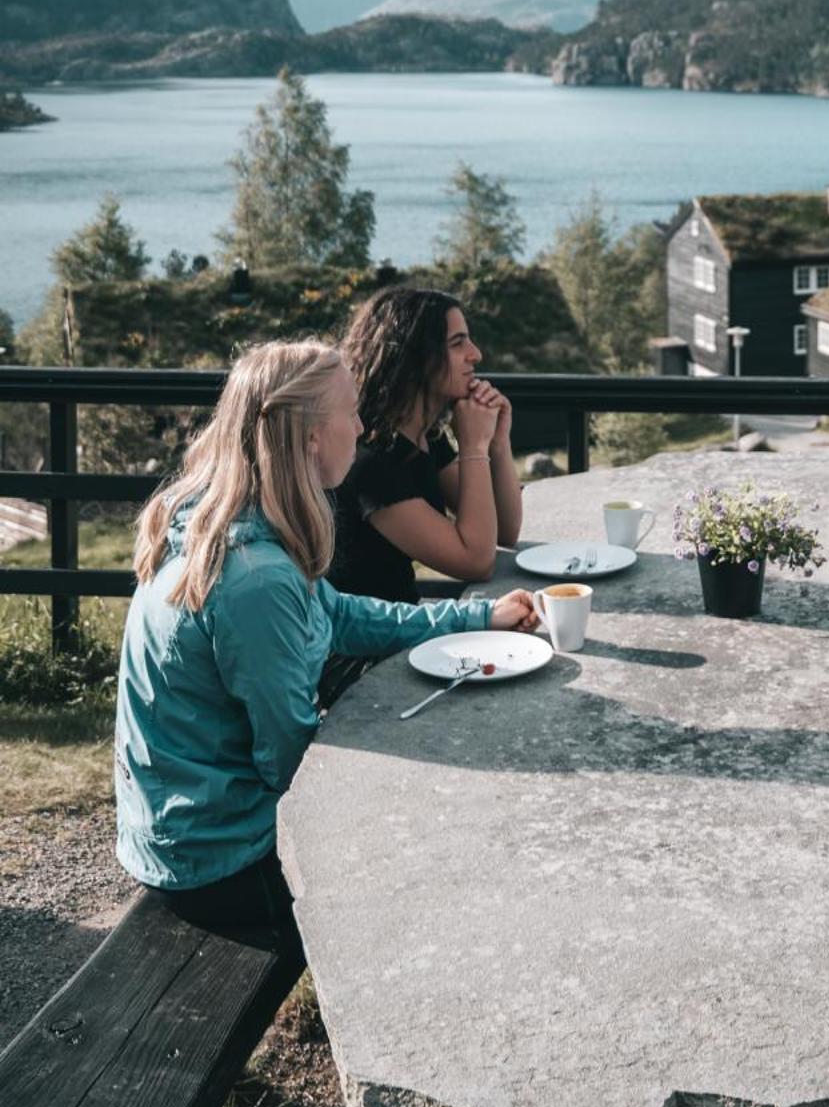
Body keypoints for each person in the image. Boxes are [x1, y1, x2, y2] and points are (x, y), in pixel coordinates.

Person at [115, 340, 539, 960]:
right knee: (438, 880)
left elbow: (337, 615)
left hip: (183, 828)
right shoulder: (254, 580)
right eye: (350, 412)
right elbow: (286, 758)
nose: (362, 426)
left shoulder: (236, 520)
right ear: (312, 437)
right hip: (218, 858)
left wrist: (476, 617)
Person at [332, 286, 524, 605]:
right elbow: (476, 562)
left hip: (403, 625)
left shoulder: (424, 436)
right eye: (457, 343)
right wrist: (473, 447)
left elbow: (505, 531)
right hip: (370, 648)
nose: (475, 354)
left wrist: (497, 444)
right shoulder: (371, 459)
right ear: (415, 357)